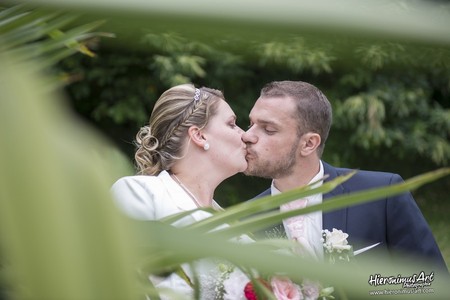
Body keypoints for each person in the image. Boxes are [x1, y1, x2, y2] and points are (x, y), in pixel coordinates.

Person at [242, 80, 448, 273]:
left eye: (268, 129)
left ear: (308, 144)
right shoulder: (245, 222)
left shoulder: (381, 194)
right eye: (250, 124)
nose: (247, 136)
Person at [111, 83, 249, 299]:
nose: (245, 136)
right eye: (232, 124)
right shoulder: (139, 194)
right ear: (199, 135)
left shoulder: (238, 230)